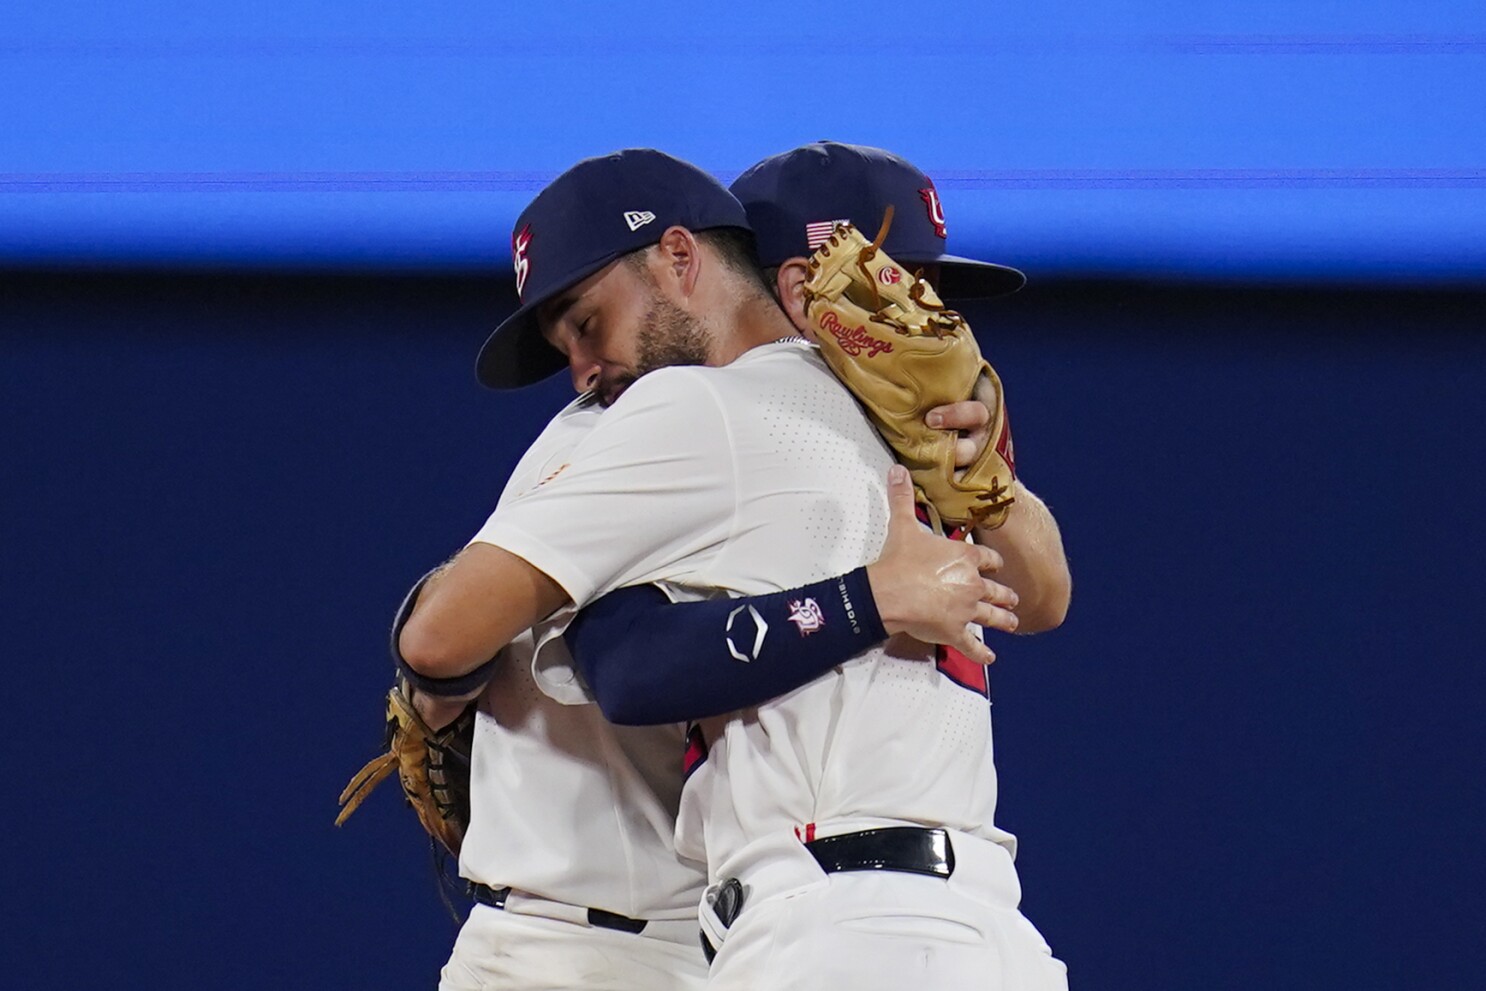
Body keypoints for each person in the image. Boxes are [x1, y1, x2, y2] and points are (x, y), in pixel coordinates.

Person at [399, 147, 1069, 989]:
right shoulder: (706, 408)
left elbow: (1043, 597)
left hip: (855, 926)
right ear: (800, 284)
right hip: (854, 926)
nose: (921, 319)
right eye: (899, 283)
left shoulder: (901, 429)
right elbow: (600, 657)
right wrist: (871, 594)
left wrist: (982, 486)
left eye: (928, 293)